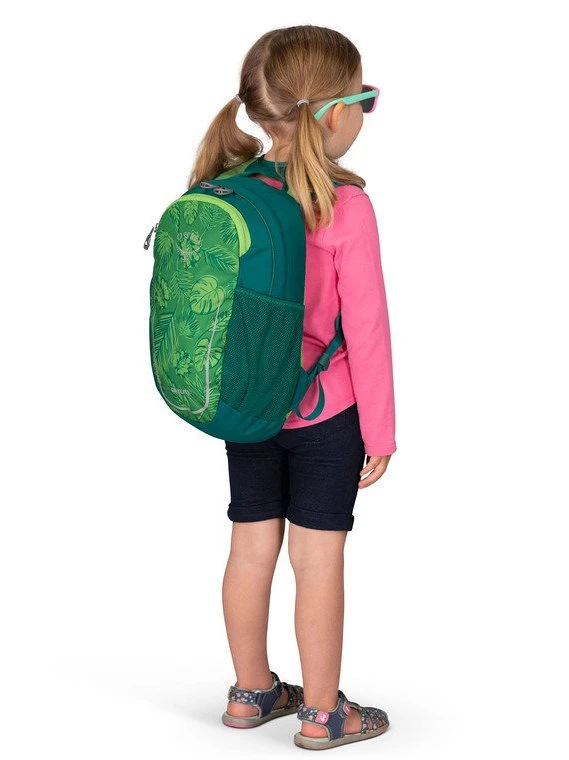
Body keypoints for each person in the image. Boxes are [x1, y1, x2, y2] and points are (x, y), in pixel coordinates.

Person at [187, 24, 396, 750]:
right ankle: (322, 713)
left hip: (248, 405)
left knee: (249, 547)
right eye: (364, 100)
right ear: (332, 114)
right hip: (325, 414)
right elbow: (366, 329)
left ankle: (250, 694)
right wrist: (381, 432)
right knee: (317, 559)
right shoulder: (344, 206)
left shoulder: (230, 190)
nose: (364, 114)